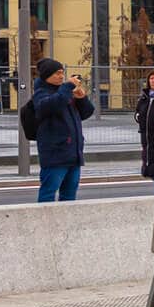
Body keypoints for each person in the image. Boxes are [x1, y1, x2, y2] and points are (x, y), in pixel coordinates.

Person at [30, 58, 94, 203]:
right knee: (48, 193)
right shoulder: (41, 93)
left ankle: (66, 224)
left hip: (73, 153)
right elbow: (48, 106)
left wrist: (82, 99)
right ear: (47, 75)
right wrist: (67, 88)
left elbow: (86, 113)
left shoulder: (64, 93)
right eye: (57, 73)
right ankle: (45, 223)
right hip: (54, 154)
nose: (61, 76)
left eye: (62, 73)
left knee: (69, 196)